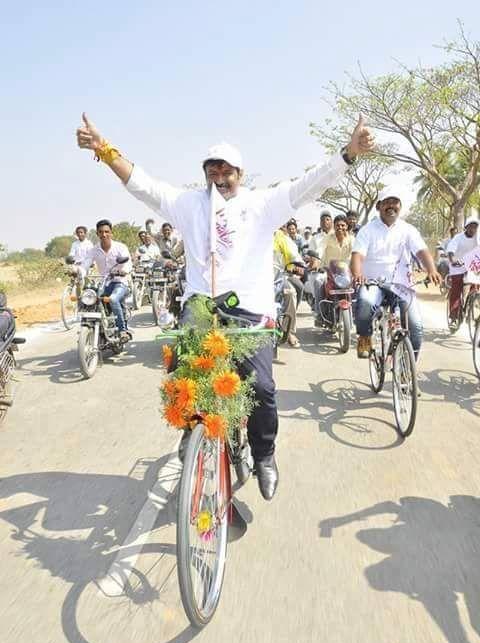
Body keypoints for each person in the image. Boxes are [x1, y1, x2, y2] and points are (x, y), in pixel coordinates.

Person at [76, 112, 374, 500]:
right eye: (211, 170)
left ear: (240, 173)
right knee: (182, 376)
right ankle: (192, 431)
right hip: (202, 307)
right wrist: (102, 148)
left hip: (250, 312)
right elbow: (141, 183)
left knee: (263, 388)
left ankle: (265, 455)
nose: (218, 177)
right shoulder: (187, 204)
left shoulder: (263, 204)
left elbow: (310, 184)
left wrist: (349, 153)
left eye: (226, 171)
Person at [351, 187, 441, 359]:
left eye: (395, 202)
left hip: (401, 285)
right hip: (373, 283)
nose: (391, 206)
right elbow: (357, 256)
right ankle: (364, 337)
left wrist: (431, 270)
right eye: (387, 202)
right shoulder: (367, 230)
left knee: (415, 326)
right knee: (364, 305)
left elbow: (422, 251)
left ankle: (408, 366)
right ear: (378, 206)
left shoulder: (408, 229)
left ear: (400, 206)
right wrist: (357, 274)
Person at [81, 219, 133, 342]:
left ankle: (122, 331)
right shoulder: (93, 250)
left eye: (106, 231)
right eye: (101, 232)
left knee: (113, 299)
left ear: (111, 232)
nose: (104, 234)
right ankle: (89, 324)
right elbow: (86, 264)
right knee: (87, 297)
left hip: (120, 282)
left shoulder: (120, 247)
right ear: (97, 234)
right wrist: (79, 272)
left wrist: (123, 271)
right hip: (104, 283)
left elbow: (128, 263)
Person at [311, 214, 354, 326]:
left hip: (345, 273)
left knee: (359, 284)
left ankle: (357, 314)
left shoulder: (351, 239)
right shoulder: (328, 238)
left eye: (343, 225)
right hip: (328, 271)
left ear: (347, 226)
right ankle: (320, 314)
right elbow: (320, 249)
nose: (340, 228)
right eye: (337, 225)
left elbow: (356, 253)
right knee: (318, 281)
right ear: (334, 227)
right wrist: (316, 260)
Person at [273, 227, 303, 348]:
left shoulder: (281, 238)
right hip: (255, 280)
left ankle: (289, 331)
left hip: (277, 278)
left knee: (290, 292)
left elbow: (294, 255)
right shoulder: (253, 232)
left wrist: (298, 264)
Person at [447, 218, 480, 322]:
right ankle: (453, 317)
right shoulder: (458, 237)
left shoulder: (478, 238)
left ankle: (471, 304)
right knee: (456, 290)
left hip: (472, 266)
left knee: (476, 286)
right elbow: (451, 250)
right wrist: (453, 260)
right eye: (471, 226)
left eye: (475, 227)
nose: (473, 229)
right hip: (458, 266)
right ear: (466, 227)